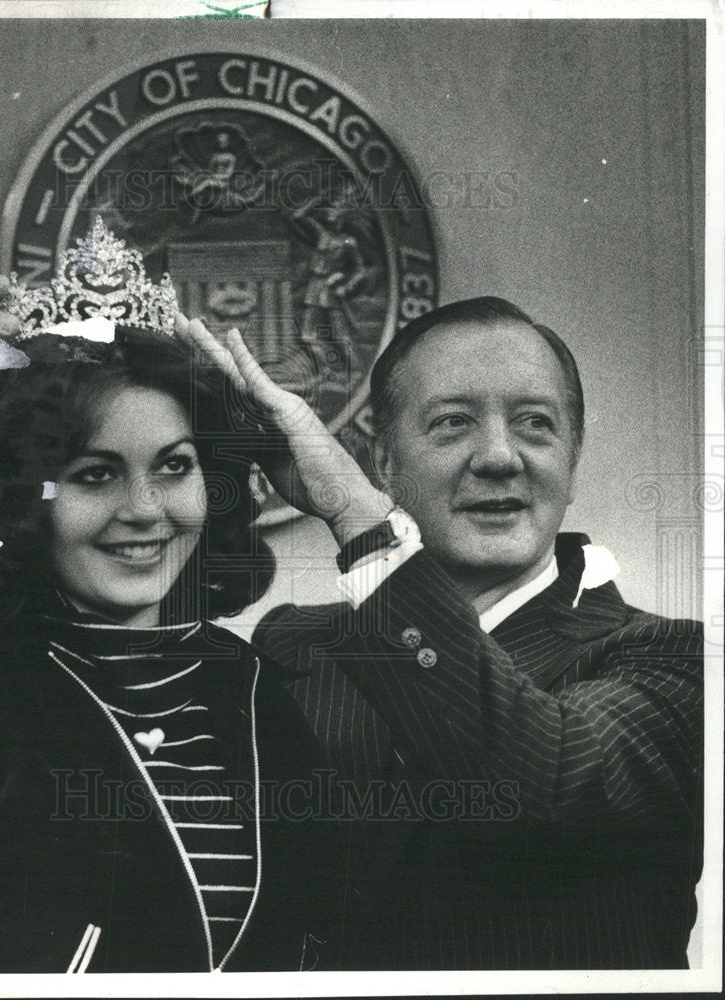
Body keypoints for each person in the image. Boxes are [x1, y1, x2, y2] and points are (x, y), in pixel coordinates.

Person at [0, 224, 337, 973]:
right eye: (94, 475)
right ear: (21, 502)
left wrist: (344, 504)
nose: (145, 510)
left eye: (174, 467)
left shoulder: (270, 699)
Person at [175, 296, 704, 970]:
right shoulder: (293, 644)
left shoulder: (675, 659)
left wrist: (354, 514)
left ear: (574, 454)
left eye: (535, 424)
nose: (499, 457)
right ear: (385, 460)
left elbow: (539, 781)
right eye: (452, 423)